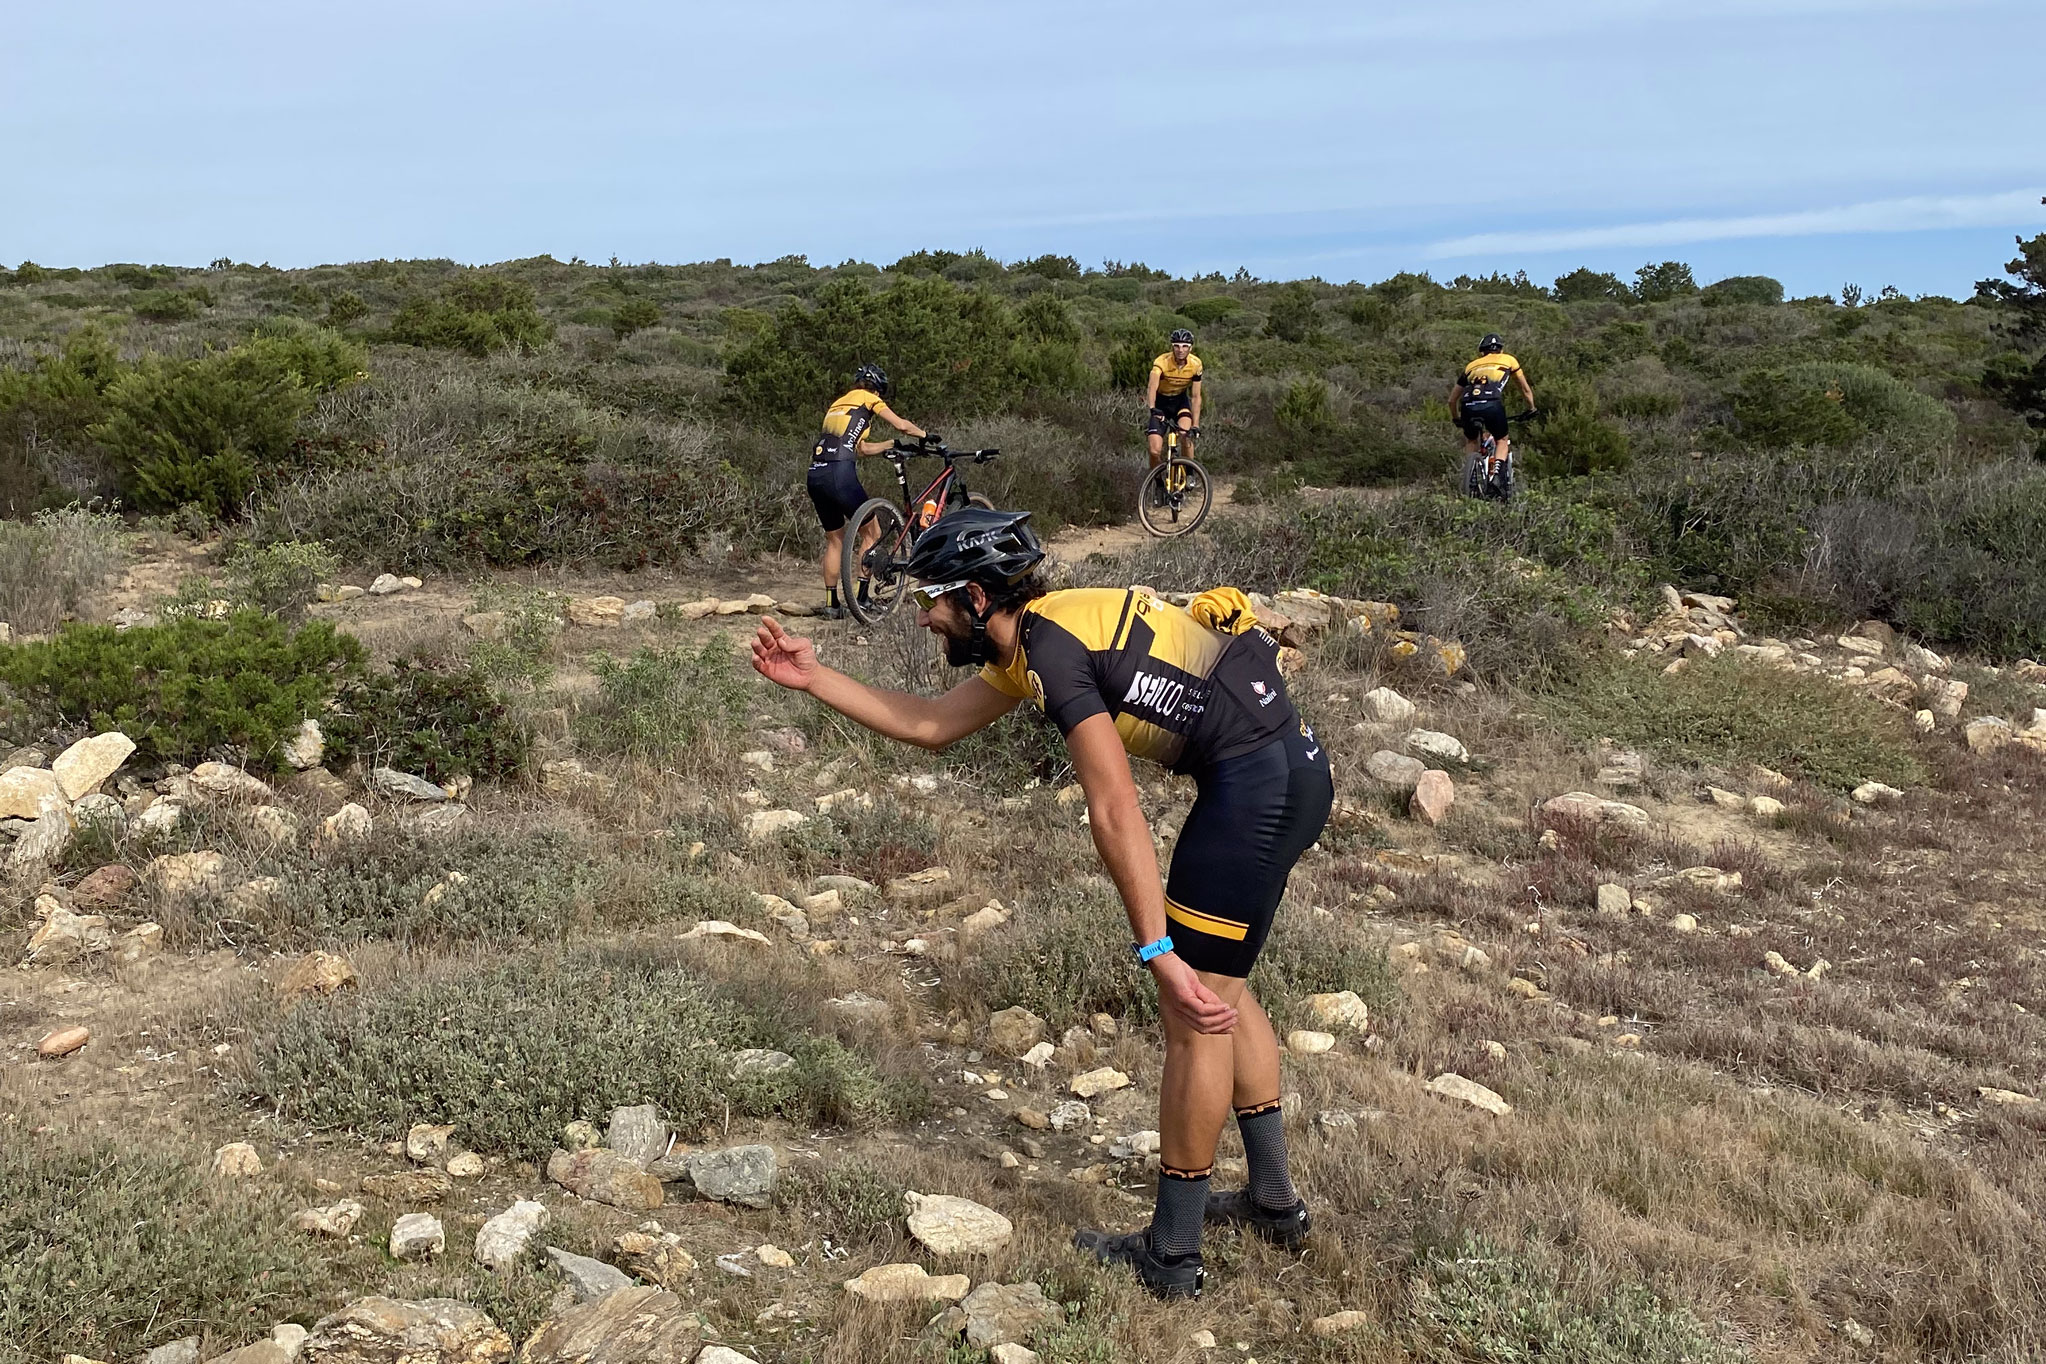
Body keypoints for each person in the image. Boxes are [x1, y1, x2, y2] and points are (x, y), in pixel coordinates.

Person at [749, 508, 1332, 1300]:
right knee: (1223, 987)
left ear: (980, 598)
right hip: (1294, 772)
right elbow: (931, 724)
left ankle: (1173, 1253)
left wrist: (1154, 950)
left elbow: (1115, 807)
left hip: (1254, 790)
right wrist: (813, 677)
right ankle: (1271, 1202)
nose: (924, 616)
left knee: (1194, 1014)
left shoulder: (1052, 650)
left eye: (936, 599)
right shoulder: (1044, 634)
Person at [808, 364, 935, 618]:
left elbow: (862, 449)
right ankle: (862, 598)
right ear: (877, 390)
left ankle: (832, 604)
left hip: (815, 473)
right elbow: (901, 425)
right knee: (873, 532)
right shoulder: (869, 399)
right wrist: (925, 436)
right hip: (839, 473)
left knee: (835, 540)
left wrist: (892, 444)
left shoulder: (839, 403)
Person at [1448, 333, 1537, 473]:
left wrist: (1456, 418)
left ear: (1482, 352)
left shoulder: (1471, 366)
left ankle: (1471, 473)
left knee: (1472, 440)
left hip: (1467, 405)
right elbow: (1525, 389)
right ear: (1501, 350)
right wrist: (1531, 408)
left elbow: (1452, 400)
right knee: (1501, 439)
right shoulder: (1509, 360)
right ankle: (1497, 472)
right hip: (1492, 404)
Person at [1145, 328, 1204, 471]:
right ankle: (1158, 480)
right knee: (1154, 450)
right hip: (1161, 403)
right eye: (1176, 346)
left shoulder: (1196, 365)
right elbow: (1151, 388)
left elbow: (1196, 397)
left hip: (1180, 402)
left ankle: (1189, 473)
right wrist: (1153, 408)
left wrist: (1195, 425)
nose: (1180, 350)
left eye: (1184, 346)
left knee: (1186, 435)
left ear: (1191, 348)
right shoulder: (1161, 362)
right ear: (1172, 347)